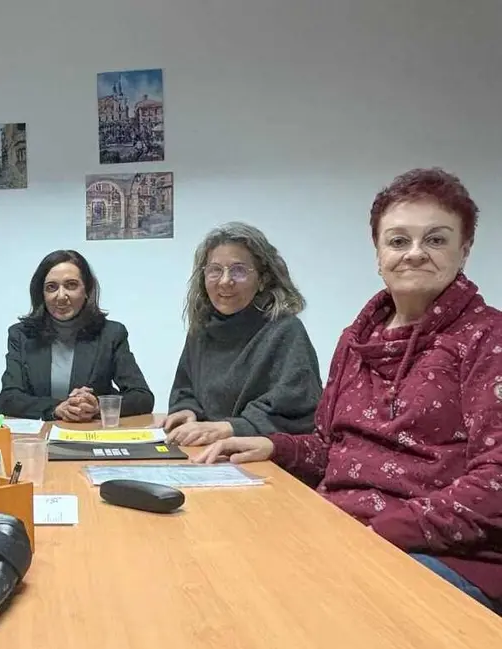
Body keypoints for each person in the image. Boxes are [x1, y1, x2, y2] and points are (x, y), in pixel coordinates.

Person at [199, 168, 502, 612]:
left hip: (441, 555)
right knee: (217, 561)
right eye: (398, 241)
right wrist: (273, 446)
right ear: (378, 253)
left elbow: (494, 481)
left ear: (465, 250)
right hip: (340, 528)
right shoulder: (358, 338)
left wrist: (381, 530)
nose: (414, 254)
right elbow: (331, 449)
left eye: (435, 240)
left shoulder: (487, 338)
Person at [160, 222, 322, 447]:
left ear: (263, 278)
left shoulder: (285, 330)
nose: (226, 281)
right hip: (207, 451)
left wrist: (230, 428)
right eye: (215, 270)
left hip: (263, 459)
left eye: (238, 270)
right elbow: (185, 388)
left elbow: (296, 410)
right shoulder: (202, 329)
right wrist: (187, 410)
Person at [0, 249, 154, 421]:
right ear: (42, 294)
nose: (61, 296)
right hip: (42, 436)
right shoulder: (22, 335)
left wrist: (97, 405)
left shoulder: (111, 334)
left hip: (91, 434)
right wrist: (56, 408)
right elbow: (6, 401)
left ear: (87, 291)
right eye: (51, 287)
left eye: (71, 285)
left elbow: (142, 397)